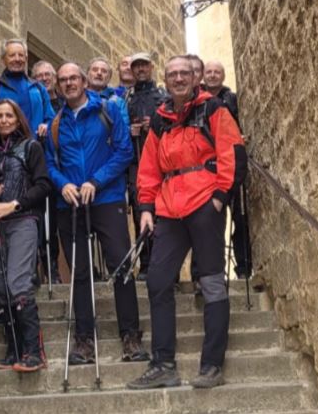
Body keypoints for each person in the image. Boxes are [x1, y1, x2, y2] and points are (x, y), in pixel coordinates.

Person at [127, 56, 247, 391]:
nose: (179, 78)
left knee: (211, 283)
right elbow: (148, 168)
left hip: (205, 204)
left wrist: (220, 197)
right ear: (165, 80)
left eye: (184, 73)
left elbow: (233, 152)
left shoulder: (213, 109)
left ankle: (212, 365)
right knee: (158, 281)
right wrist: (146, 207)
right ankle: (163, 365)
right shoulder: (161, 119)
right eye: (172, 74)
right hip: (169, 209)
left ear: (195, 78)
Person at [45, 62, 149, 364]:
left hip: (107, 198)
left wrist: (96, 181)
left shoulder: (108, 109)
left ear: (83, 81)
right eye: (63, 80)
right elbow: (50, 164)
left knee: (121, 266)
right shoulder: (55, 124)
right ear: (58, 86)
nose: (68, 84)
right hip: (70, 203)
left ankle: (130, 335)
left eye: (73, 78)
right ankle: (84, 339)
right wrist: (63, 184)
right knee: (79, 272)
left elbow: (124, 151)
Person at [0, 99, 52, 372]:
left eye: (9, 115)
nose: (4, 120)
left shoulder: (31, 147)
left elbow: (43, 185)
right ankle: (14, 350)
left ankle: (34, 352)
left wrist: (15, 204)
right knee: (0, 286)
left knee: (18, 282)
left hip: (22, 221)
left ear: (18, 118)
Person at [204, 60, 250, 278]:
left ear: (222, 76)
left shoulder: (232, 99)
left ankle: (243, 268)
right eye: (209, 72)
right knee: (212, 221)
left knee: (240, 218)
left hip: (231, 164)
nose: (213, 75)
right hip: (209, 167)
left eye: (217, 72)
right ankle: (215, 270)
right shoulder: (199, 101)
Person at [125, 52, 167, 280]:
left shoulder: (163, 97)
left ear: (151, 67)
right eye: (136, 66)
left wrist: (155, 125)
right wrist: (130, 132)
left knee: (162, 213)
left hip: (160, 163)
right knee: (139, 209)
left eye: (144, 65)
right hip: (135, 162)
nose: (140, 69)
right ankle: (146, 262)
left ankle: (164, 263)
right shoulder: (126, 99)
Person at [31, 60, 62, 284]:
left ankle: (57, 267)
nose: (44, 78)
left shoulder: (64, 102)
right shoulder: (34, 100)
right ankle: (45, 266)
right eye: (39, 75)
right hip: (41, 166)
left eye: (47, 74)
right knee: (43, 219)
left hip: (62, 167)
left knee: (60, 221)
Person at [0, 39, 54, 139]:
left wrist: (47, 125)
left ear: (26, 58)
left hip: (34, 145)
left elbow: (51, 119)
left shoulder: (38, 88)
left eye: (21, 55)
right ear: (3, 60)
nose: (17, 59)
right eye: (12, 55)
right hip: (4, 146)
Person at [86, 56, 130, 128]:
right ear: (87, 74)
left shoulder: (117, 102)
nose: (99, 73)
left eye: (104, 71)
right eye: (95, 70)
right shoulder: (77, 97)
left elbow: (124, 130)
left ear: (109, 78)